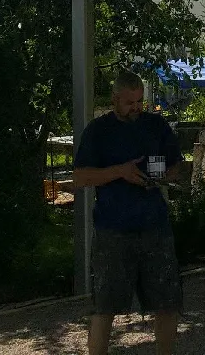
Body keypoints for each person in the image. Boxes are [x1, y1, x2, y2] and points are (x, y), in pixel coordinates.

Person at [73, 70, 185, 355]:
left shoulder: (156, 126)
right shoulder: (98, 131)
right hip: (113, 230)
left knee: (167, 302)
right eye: (129, 103)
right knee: (105, 306)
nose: (136, 108)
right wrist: (120, 172)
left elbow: (177, 165)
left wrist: (163, 177)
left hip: (155, 226)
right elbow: (81, 177)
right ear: (115, 99)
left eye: (139, 102)